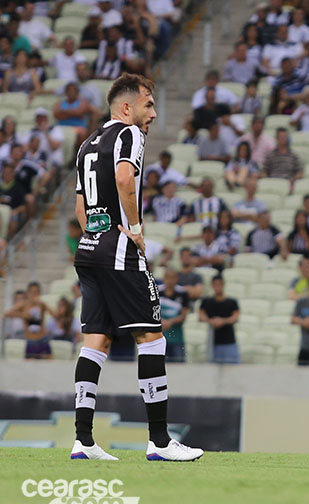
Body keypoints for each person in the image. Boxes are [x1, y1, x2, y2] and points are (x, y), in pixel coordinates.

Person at [70, 73, 203, 461]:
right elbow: (125, 177)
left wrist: (96, 235)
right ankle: (160, 441)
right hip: (117, 247)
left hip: (89, 248)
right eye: (148, 104)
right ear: (126, 107)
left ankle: (83, 440)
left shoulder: (86, 145)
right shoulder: (130, 135)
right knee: (152, 337)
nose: (154, 113)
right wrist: (134, 229)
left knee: (96, 340)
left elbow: (80, 206)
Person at [4, 281, 52, 359]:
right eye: (33, 292)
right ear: (28, 293)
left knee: (48, 362)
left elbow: (55, 315)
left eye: (37, 292)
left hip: (42, 338)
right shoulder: (24, 304)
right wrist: (23, 315)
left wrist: (45, 305)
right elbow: (7, 313)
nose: (35, 295)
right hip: (30, 340)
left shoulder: (42, 304)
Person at [199, 275, 241, 364]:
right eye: (215, 285)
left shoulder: (232, 302)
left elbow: (235, 317)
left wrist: (223, 321)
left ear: (223, 285)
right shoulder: (207, 302)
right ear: (212, 286)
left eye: (219, 284)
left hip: (229, 341)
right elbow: (201, 316)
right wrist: (211, 321)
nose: (217, 287)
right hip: (213, 342)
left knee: (232, 368)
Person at [158, 268, 190, 363]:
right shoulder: (156, 292)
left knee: (178, 367)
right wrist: (161, 321)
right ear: (163, 278)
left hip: (177, 338)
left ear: (177, 279)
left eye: (173, 278)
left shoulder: (183, 293)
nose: (170, 280)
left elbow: (184, 315)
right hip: (160, 337)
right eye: (167, 277)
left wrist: (170, 322)